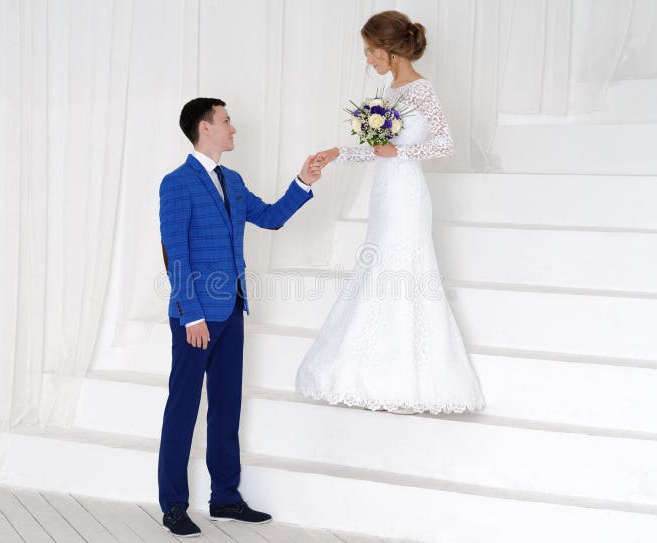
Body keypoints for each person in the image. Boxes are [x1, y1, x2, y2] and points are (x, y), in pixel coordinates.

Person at [296, 11, 485, 416]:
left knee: (403, 268)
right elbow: (377, 150)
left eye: (370, 51)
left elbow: (445, 143)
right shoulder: (392, 92)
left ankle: (405, 378)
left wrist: (401, 152)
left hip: (406, 193)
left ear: (390, 50)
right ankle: (368, 369)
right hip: (385, 191)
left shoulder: (420, 90)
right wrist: (337, 153)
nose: (368, 59)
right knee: (377, 265)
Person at [159, 97, 321, 537]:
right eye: (227, 121)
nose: (234, 128)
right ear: (203, 127)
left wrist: (302, 182)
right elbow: (176, 253)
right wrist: (190, 314)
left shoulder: (232, 179)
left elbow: (268, 218)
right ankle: (174, 506)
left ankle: (226, 498)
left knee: (226, 407)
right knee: (183, 408)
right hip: (195, 318)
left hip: (232, 310)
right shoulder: (176, 183)